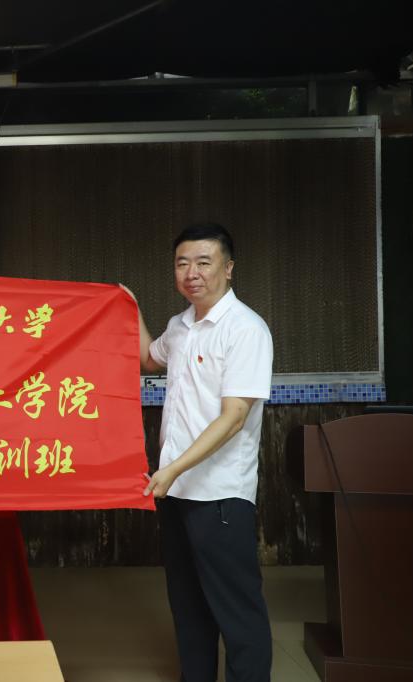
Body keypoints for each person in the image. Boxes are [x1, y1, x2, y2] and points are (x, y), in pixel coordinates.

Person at [130, 222, 274, 682]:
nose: (191, 272)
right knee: (188, 610)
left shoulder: (245, 329)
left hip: (220, 495)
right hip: (176, 492)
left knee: (238, 614)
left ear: (228, 269)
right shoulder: (180, 327)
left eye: (203, 262)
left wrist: (172, 468)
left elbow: (234, 417)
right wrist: (128, 306)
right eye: (182, 263)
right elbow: (147, 359)